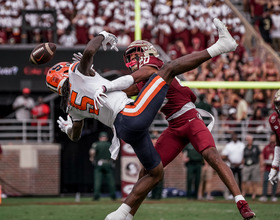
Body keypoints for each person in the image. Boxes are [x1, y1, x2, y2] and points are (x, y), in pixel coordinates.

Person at [46, 18, 244, 220]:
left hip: (124, 129)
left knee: (154, 173)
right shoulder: (80, 75)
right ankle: (220, 46)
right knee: (168, 69)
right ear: (66, 72)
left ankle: (122, 215)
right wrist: (104, 35)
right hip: (132, 116)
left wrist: (68, 128)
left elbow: (75, 136)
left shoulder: (72, 108)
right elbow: (90, 53)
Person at [121, 21, 255, 220]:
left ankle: (241, 202)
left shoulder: (154, 66)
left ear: (147, 53)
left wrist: (109, 84)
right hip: (174, 126)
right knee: (148, 170)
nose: (132, 60)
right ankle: (126, 213)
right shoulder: (139, 82)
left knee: (212, 156)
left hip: (190, 118)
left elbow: (136, 79)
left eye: (135, 55)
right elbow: (123, 89)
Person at [89, 131, 116, 201]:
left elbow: (92, 152)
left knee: (97, 181)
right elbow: (115, 155)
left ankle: (96, 196)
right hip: (108, 163)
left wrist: (91, 158)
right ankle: (113, 196)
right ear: (106, 138)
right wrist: (113, 161)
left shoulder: (96, 144)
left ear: (100, 138)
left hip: (99, 164)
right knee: (111, 181)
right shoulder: (109, 144)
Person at [260, 133, 278, 202]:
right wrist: (262, 163)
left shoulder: (277, 147)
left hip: (275, 168)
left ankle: (273, 196)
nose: (272, 138)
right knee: (265, 180)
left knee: (274, 181)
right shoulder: (267, 147)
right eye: (271, 137)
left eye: (273, 137)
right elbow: (262, 155)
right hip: (267, 168)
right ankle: (264, 195)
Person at [242, 135, 261, 200]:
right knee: (244, 180)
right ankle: (243, 194)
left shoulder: (256, 147)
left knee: (254, 181)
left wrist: (261, 165)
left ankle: (254, 195)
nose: (249, 141)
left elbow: (260, 156)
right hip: (247, 165)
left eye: (250, 140)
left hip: (254, 165)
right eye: (248, 140)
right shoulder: (245, 148)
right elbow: (243, 157)